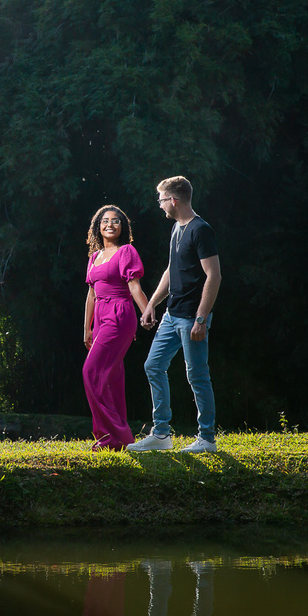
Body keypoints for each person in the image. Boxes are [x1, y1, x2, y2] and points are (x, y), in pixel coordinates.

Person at [128, 176, 222, 454]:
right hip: (171, 314)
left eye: (161, 200)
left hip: (192, 317)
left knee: (197, 376)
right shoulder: (176, 229)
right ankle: (161, 434)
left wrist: (201, 318)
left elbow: (214, 276)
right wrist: (151, 304)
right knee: (153, 366)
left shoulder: (201, 230)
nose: (159, 205)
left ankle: (207, 439)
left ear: (173, 200)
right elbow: (172, 271)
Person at [83, 205, 151, 450]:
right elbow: (91, 295)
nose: (110, 224)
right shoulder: (94, 257)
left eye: (115, 221)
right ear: (97, 226)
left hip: (119, 314)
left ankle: (113, 435)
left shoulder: (126, 251)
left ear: (123, 227)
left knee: (91, 371)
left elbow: (134, 287)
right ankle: (115, 439)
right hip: (100, 317)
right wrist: (87, 328)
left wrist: (147, 311)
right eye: (105, 220)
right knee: (111, 377)